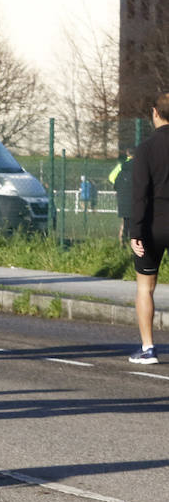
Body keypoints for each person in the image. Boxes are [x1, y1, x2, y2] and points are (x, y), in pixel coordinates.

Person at [128, 94, 169, 364]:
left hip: (153, 226)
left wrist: (135, 232)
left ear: (155, 113)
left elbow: (140, 195)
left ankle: (148, 348)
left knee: (145, 287)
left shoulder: (145, 148)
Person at [112, 149, 135, 243]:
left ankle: (123, 244)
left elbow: (114, 183)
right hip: (135, 202)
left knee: (126, 225)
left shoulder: (121, 169)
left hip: (123, 201)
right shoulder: (141, 168)